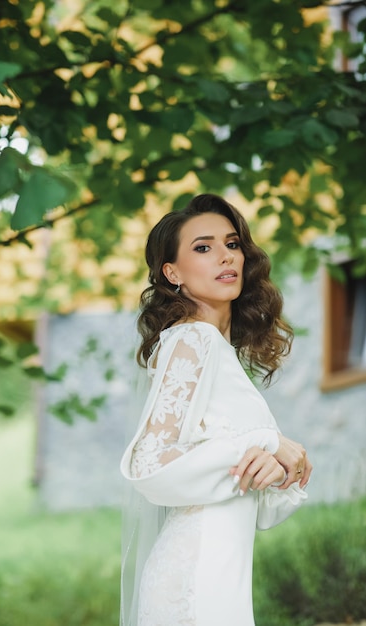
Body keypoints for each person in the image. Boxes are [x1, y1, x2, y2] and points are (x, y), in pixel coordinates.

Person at [120, 193, 312, 626]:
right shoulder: (193, 341)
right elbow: (149, 465)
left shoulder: (216, 349)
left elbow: (248, 497)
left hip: (223, 572)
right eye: (203, 248)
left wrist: (278, 467)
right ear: (172, 273)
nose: (225, 257)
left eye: (232, 244)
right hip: (196, 578)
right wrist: (264, 441)